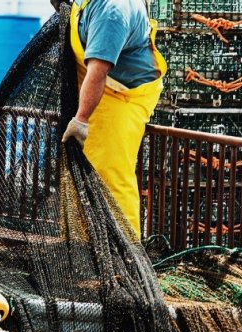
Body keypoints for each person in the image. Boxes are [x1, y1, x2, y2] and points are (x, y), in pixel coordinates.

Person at [60, 0, 167, 239]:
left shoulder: (113, 10)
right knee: (77, 174)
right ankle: (82, 247)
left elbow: (98, 72)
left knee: (110, 177)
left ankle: (127, 256)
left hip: (120, 96)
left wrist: (81, 120)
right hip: (93, 89)